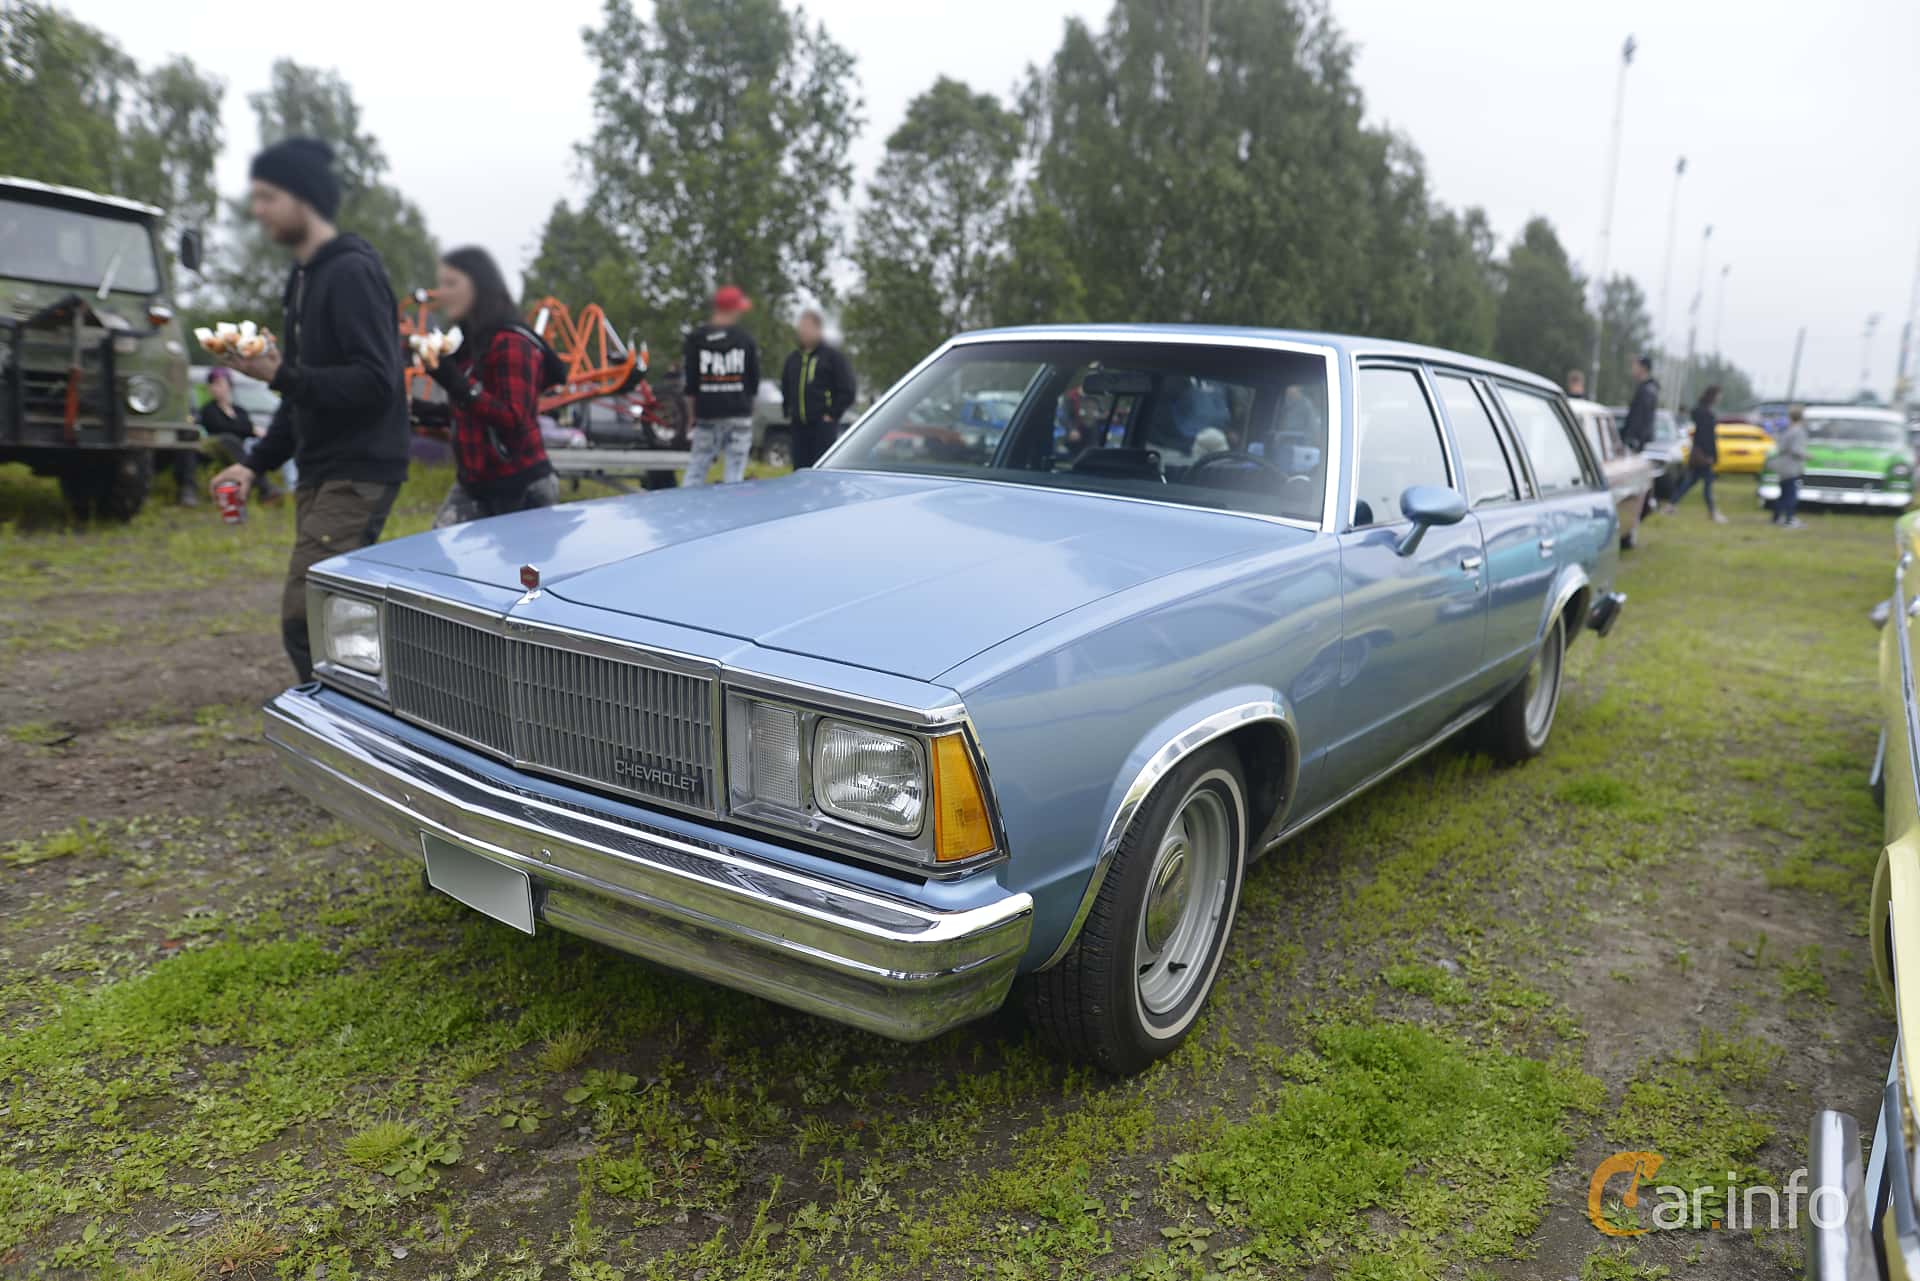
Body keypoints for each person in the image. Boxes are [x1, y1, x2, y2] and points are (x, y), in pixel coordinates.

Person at [208, 137, 409, 680]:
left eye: (269, 196)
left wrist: (282, 374)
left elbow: (377, 383)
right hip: (321, 470)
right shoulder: (303, 280)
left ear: (304, 197)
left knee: (307, 620)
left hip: (358, 469)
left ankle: (351, 738)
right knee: (333, 621)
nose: (258, 210)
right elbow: (300, 394)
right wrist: (252, 464)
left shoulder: (351, 273)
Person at [409, 247, 557, 527]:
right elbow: (470, 412)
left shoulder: (512, 342)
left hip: (521, 487)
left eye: (451, 284)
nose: (443, 293)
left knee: (519, 572)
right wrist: (418, 411)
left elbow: (514, 418)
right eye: (441, 284)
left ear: (479, 285)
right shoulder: (467, 343)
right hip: (474, 485)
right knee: (434, 561)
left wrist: (453, 380)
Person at [682, 286, 759, 486]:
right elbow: (753, 382)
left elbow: (691, 384)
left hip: (707, 413)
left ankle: (686, 509)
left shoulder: (696, 339)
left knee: (697, 469)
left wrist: (692, 416)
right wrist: (750, 411)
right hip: (739, 415)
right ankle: (734, 512)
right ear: (732, 310)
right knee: (735, 473)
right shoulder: (746, 340)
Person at [779, 309, 856, 468]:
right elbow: (785, 385)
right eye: (801, 327)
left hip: (822, 426)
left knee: (820, 469)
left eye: (807, 327)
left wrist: (832, 414)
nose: (803, 331)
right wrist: (787, 410)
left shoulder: (832, 357)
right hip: (798, 425)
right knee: (800, 469)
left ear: (818, 329)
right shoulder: (793, 359)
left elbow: (848, 390)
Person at [1668, 384, 1727, 522]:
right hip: (1704, 455)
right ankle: (1712, 512)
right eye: (1719, 395)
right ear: (1713, 395)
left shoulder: (1700, 411)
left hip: (1698, 453)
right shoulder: (1707, 414)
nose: (1720, 398)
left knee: (1690, 482)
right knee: (1707, 485)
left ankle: (1671, 504)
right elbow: (1708, 437)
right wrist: (1711, 455)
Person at [1770, 403, 1809, 529]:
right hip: (1791, 467)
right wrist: (1806, 455)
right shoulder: (1799, 431)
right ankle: (1789, 519)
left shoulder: (1787, 429)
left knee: (1783, 493)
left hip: (1782, 465)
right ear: (1802, 417)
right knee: (1791, 494)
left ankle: (1776, 518)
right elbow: (1795, 449)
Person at [1621, 355, 1658, 452]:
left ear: (1643, 368)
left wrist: (1632, 439)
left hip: (1637, 445)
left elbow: (1639, 419)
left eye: (1635, 366)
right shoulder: (1646, 389)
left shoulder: (1647, 391)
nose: (1632, 369)